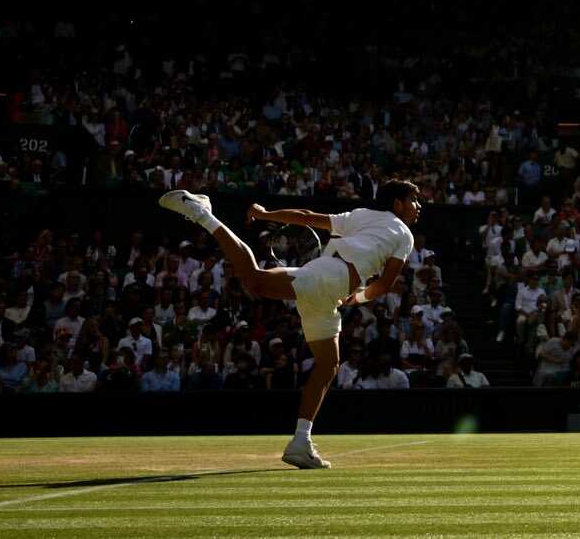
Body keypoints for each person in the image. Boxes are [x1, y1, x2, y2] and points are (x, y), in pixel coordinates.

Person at [160, 179, 419, 469]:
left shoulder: (360, 215)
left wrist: (266, 214)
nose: (418, 206)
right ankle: (202, 213)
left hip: (327, 290)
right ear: (397, 203)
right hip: (329, 278)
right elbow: (384, 285)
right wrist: (356, 299)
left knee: (328, 364)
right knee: (256, 280)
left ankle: (301, 442)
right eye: (414, 200)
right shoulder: (404, 234)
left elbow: (305, 217)